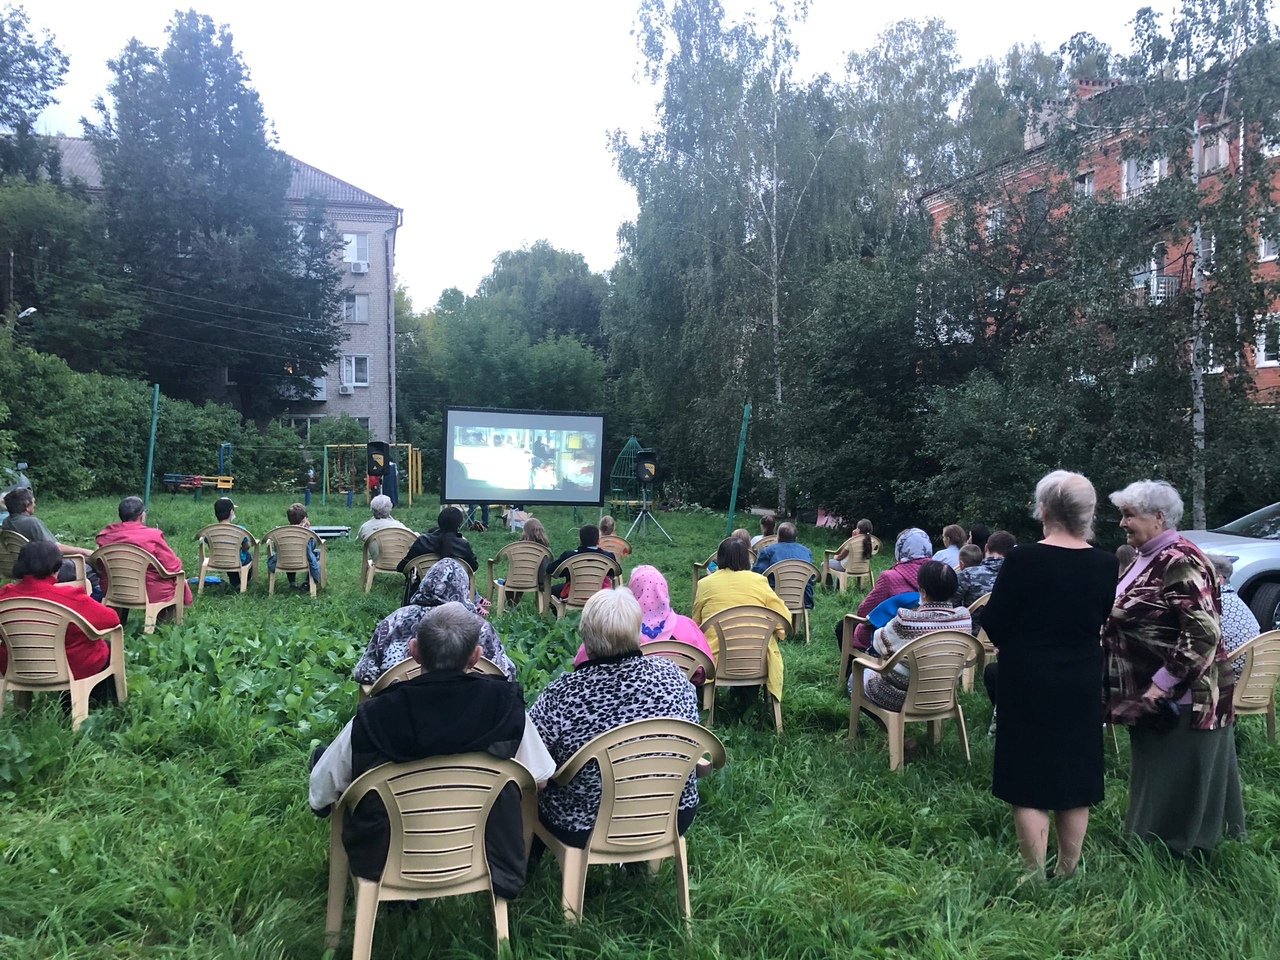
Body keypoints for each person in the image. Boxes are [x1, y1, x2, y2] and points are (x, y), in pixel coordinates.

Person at [310, 601, 555, 893]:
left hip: (383, 857)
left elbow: (321, 791)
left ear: (413, 652)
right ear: (476, 656)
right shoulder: (506, 710)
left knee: (322, 758)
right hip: (486, 852)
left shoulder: (373, 717)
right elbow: (539, 777)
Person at [981, 471, 1117, 880]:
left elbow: (995, 620)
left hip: (1027, 675)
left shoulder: (1023, 557)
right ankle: (1068, 870)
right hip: (1081, 675)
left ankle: (1034, 874)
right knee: (1077, 772)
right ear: (1088, 513)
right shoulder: (1106, 562)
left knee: (1027, 775)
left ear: (1043, 509)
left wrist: (1015, 643)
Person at [1104, 479, 1243, 855]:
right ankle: (1155, 849)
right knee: (1158, 777)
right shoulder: (1147, 556)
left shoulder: (1180, 560)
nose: (1122, 523)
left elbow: (1202, 633)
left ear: (1159, 518)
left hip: (1181, 697)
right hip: (1153, 696)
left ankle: (1179, 856)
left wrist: (1161, 684)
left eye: (1129, 515)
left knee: (1177, 780)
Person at [530, 588, 702, 847]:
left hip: (584, 825)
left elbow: (531, 760)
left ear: (585, 637)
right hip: (672, 813)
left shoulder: (562, 695)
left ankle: (522, 873)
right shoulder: (674, 677)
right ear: (637, 634)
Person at [353, 558, 517, 684]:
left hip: (398, 710)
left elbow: (364, 673)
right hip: (467, 711)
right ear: (463, 590)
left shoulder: (394, 620)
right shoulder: (479, 627)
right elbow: (506, 675)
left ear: (425, 584)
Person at [0, 541, 120, 687]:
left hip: (16, 666)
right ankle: (93, 702)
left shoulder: (4, 596)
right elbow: (111, 619)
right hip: (71, 667)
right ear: (56, 567)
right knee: (105, 647)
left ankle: (23, 702)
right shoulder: (70, 596)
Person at [571, 565, 715, 683]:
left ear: (633, 592)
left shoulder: (614, 627)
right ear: (664, 590)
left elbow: (581, 663)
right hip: (676, 694)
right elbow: (705, 669)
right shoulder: (686, 625)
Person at [859, 560, 971, 710]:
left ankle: (891, 728)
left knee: (856, 677)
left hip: (900, 695)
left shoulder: (906, 619)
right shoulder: (964, 618)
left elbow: (878, 644)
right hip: (942, 693)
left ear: (923, 592)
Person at [691, 537, 791, 704]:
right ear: (747, 558)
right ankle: (747, 701)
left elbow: (696, 623)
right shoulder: (759, 581)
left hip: (715, 659)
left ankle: (704, 704)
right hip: (756, 659)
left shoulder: (705, 584)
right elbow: (783, 619)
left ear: (720, 557)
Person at [843, 529, 933, 651]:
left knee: (843, 626)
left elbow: (863, 612)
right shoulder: (939, 574)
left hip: (892, 640)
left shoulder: (890, 577)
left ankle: (854, 667)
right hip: (929, 639)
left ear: (900, 548)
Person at [95, 496, 193, 609]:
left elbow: (99, 564)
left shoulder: (106, 535)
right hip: (150, 592)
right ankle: (164, 623)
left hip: (113, 589)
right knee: (176, 578)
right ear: (142, 516)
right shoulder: (152, 536)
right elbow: (172, 566)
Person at [2, 487, 97, 588]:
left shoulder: (7, 522)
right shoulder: (31, 522)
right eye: (33, 502)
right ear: (26, 505)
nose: (35, 505)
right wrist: (82, 551)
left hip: (27, 567)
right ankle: (97, 599)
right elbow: (54, 548)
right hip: (46, 568)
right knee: (90, 569)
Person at [1207, 554, 1259, 683]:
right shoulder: (1234, 600)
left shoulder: (1215, 604)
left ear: (1219, 579)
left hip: (1230, 679)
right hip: (1255, 677)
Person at [752, 522, 815, 608]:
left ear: (777, 537)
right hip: (802, 598)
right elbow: (811, 577)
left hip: (774, 598)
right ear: (795, 538)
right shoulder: (806, 551)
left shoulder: (768, 551)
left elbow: (757, 574)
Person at [546, 524, 615, 601]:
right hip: (600, 596)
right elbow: (616, 572)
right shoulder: (609, 557)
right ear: (598, 540)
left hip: (573, 595)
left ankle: (560, 612)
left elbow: (550, 570)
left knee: (552, 591)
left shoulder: (569, 556)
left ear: (580, 540)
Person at [952, 530, 1016, 608]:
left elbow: (952, 604)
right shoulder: (1020, 577)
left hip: (972, 619)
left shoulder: (967, 574)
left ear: (986, 548)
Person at [266, 502, 321, 590]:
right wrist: (308, 530)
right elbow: (313, 546)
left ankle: (292, 582)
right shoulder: (307, 534)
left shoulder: (282, 533)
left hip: (285, 561)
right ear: (304, 519)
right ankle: (307, 583)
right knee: (317, 554)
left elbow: (276, 548)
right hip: (304, 561)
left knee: (289, 552)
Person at [212, 496, 253, 589]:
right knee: (246, 555)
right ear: (231, 512)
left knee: (230, 556)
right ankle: (245, 580)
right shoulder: (240, 530)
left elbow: (208, 542)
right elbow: (246, 546)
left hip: (217, 558)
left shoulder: (210, 530)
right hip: (236, 560)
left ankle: (234, 582)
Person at [356, 494, 409, 562]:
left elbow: (359, 539)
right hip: (400, 563)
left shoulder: (365, 527)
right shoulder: (399, 526)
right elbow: (414, 539)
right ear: (390, 509)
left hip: (377, 562)